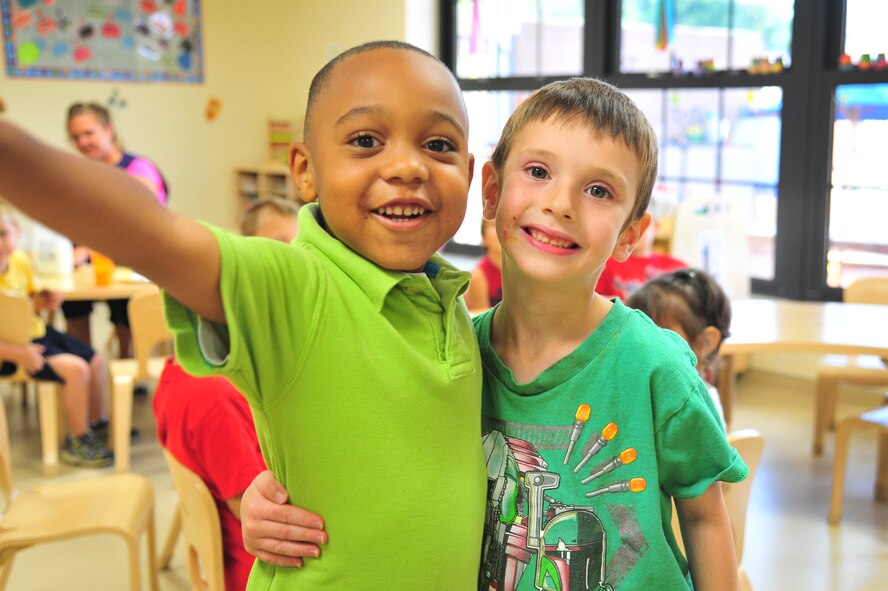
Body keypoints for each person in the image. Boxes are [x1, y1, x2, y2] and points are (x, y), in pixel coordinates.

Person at [0, 40, 484, 589]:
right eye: (365, 140)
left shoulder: (459, 308)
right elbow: (151, 235)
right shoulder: (296, 287)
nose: (406, 166)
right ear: (304, 170)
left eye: (438, 143)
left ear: (469, 174)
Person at [240, 78, 748, 590]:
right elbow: (378, 465)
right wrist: (269, 499)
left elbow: (706, 517)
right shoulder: (450, 353)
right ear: (491, 192)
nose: (561, 202)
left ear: (630, 235)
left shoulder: (655, 365)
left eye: (599, 190)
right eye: (538, 171)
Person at [152, 201, 307, 591]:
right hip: (261, 570)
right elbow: (261, 517)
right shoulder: (215, 393)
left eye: (299, 247)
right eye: (276, 247)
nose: (290, 262)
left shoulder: (177, 367)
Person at [0, 205, 113, 467]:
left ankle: (97, 424)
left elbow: (26, 301)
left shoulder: (20, 261)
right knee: (77, 370)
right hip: (12, 349)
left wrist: (42, 301)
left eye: (4, 233)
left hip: (35, 332)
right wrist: (20, 354)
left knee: (95, 359)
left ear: (16, 233)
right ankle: (77, 439)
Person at [62, 102, 169, 359]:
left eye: (89, 133)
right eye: (76, 137)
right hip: (91, 259)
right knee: (72, 299)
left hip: (131, 259)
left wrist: (89, 247)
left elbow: (148, 211)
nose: (82, 142)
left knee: (126, 302)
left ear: (108, 130)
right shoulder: (83, 172)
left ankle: (129, 361)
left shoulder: (138, 167)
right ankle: (85, 361)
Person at [626, 267, 731, 429]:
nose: (642, 345)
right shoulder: (640, 391)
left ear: (704, 343)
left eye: (661, 337)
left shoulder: (698, 409)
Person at [595, 202, 686, 301]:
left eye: (638, 225)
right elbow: (592, 301)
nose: (631, 233)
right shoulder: (604, 263)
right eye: (627, 225)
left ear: (656, 227)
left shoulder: (676, 268)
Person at [463, 217, 503, 311]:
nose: (500, 227)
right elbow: (483, 322)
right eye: (493, 224)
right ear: (484, 239)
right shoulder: (479, 276)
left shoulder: (521, 272)